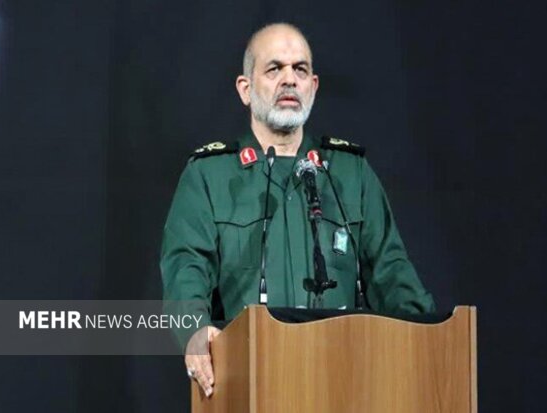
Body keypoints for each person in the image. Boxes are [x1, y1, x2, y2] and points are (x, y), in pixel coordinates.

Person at [160, 23, 435, 398]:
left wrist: (430, 339)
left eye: (300, 69)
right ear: (245, 88)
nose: (289, 79)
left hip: (345, 382)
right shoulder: (209, 176)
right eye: (274, 68)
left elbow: (391, 271)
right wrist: (193, 330)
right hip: (248, 381)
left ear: (313, 87)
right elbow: (185, 268)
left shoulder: (350, 174)